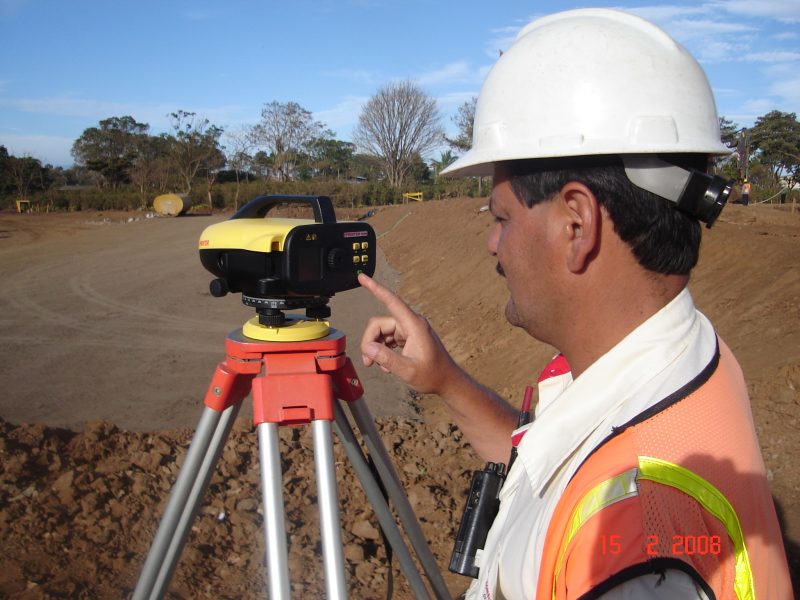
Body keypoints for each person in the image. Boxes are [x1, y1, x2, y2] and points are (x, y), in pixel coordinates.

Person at [358, 9, 792, 600]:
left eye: (502, 217)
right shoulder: (671, 354)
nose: (492, 243)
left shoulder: (633, 548)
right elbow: (556, 471)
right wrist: (445, 381)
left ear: (576, 223)